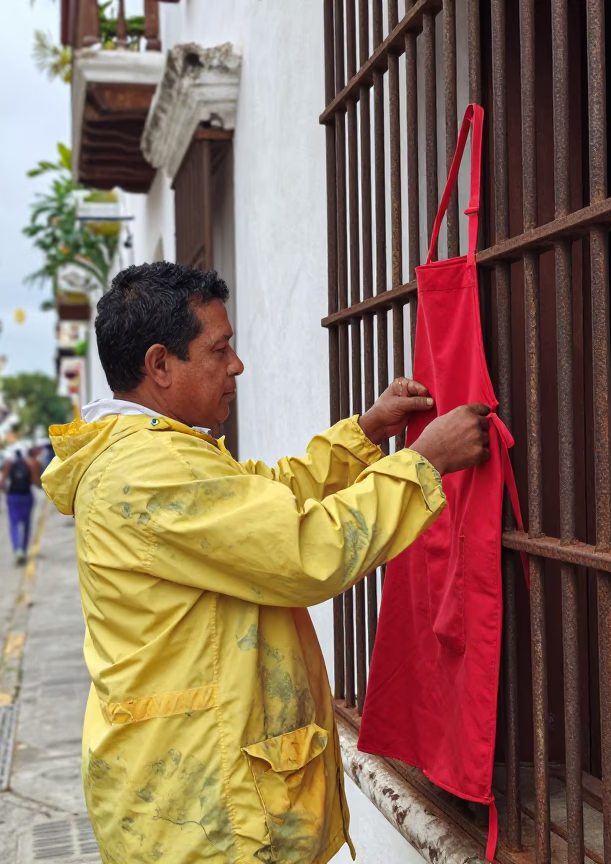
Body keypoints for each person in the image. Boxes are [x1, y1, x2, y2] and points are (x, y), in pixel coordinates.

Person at [42, 262, 491, 864]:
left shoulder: (160, 452)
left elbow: (267, 498)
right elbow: (305, 551)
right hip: (205, 813)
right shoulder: (149, 471)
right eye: (219, 348)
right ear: (159, 365)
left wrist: (363, 433)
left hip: (195, 793)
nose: (236, 365)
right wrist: (424, 463)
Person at [0, 448, 40, 564]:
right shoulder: (29, 464)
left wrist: (4, 491)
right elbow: (34, 481)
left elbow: (2, 481)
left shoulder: (9, 464)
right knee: (27, 524)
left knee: (14, 524)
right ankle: (24, 549)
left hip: (13, 497)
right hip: (27, 496)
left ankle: (17, 550)